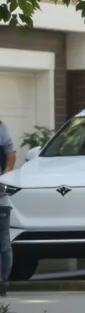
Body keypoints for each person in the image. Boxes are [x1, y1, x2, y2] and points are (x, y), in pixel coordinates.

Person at [0, 122, 15, 295]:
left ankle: (3, 281)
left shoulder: (2, 129)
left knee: (3, 244)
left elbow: (10, 160)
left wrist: (4, 179)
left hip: (1, 201)